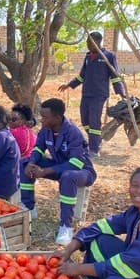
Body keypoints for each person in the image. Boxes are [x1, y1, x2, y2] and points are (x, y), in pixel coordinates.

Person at [20, 98, 96, 245]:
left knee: (68, 177)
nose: (41, 120)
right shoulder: (46, 130)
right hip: (58, 166)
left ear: (58, 118)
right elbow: (38, 148)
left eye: (45, 117)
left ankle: (66, 227)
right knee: (24, 163)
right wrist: (31, 163)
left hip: (81, 172)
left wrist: (46, 171)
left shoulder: (73, 133)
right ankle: (29, 207)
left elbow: (76, 163)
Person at [58, 31, 126, 157]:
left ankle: (94, 149)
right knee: (85, 120)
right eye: (87, 42)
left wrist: (121, 92)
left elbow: (115, 76)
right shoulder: (88, 56)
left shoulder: (108, 56)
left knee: (94, 121)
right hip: (86, 93)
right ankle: (96, 139)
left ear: (98, 41)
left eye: (90, 42)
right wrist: (69, 85)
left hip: (99, 94)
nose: (88, 45)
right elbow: (82, 76)